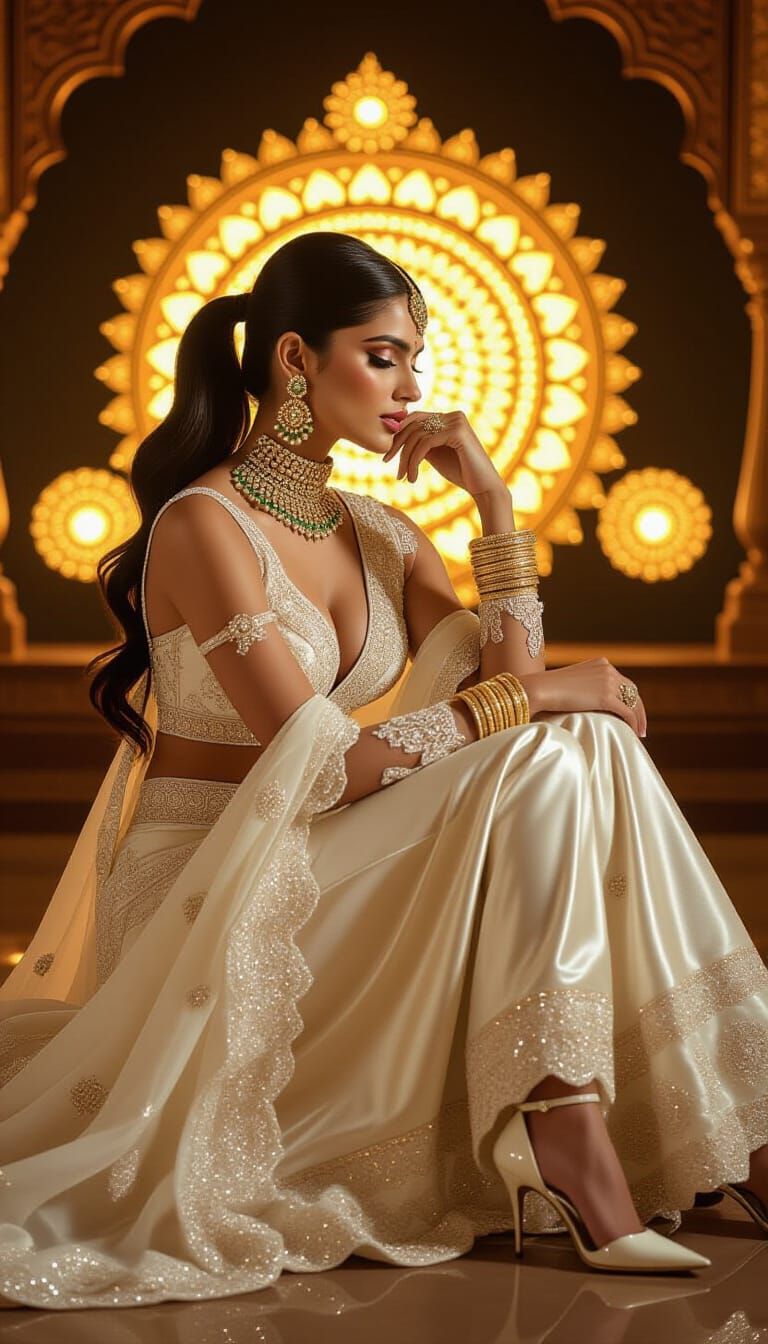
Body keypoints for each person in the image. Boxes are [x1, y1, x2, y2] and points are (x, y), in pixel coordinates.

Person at [1, 231, 767, 1308]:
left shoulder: (382, 533)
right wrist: (547, 692)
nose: (411, 387)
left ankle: (608, 1127)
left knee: (572, 746)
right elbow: (323, 766)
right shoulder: (203, 526)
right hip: (212, 882)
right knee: (561, 733)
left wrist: (496, 510)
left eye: (417, 359)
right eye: (383, 355)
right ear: (294, 361)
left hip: (328, 854)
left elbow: (507, 695)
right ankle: (660, 1135)